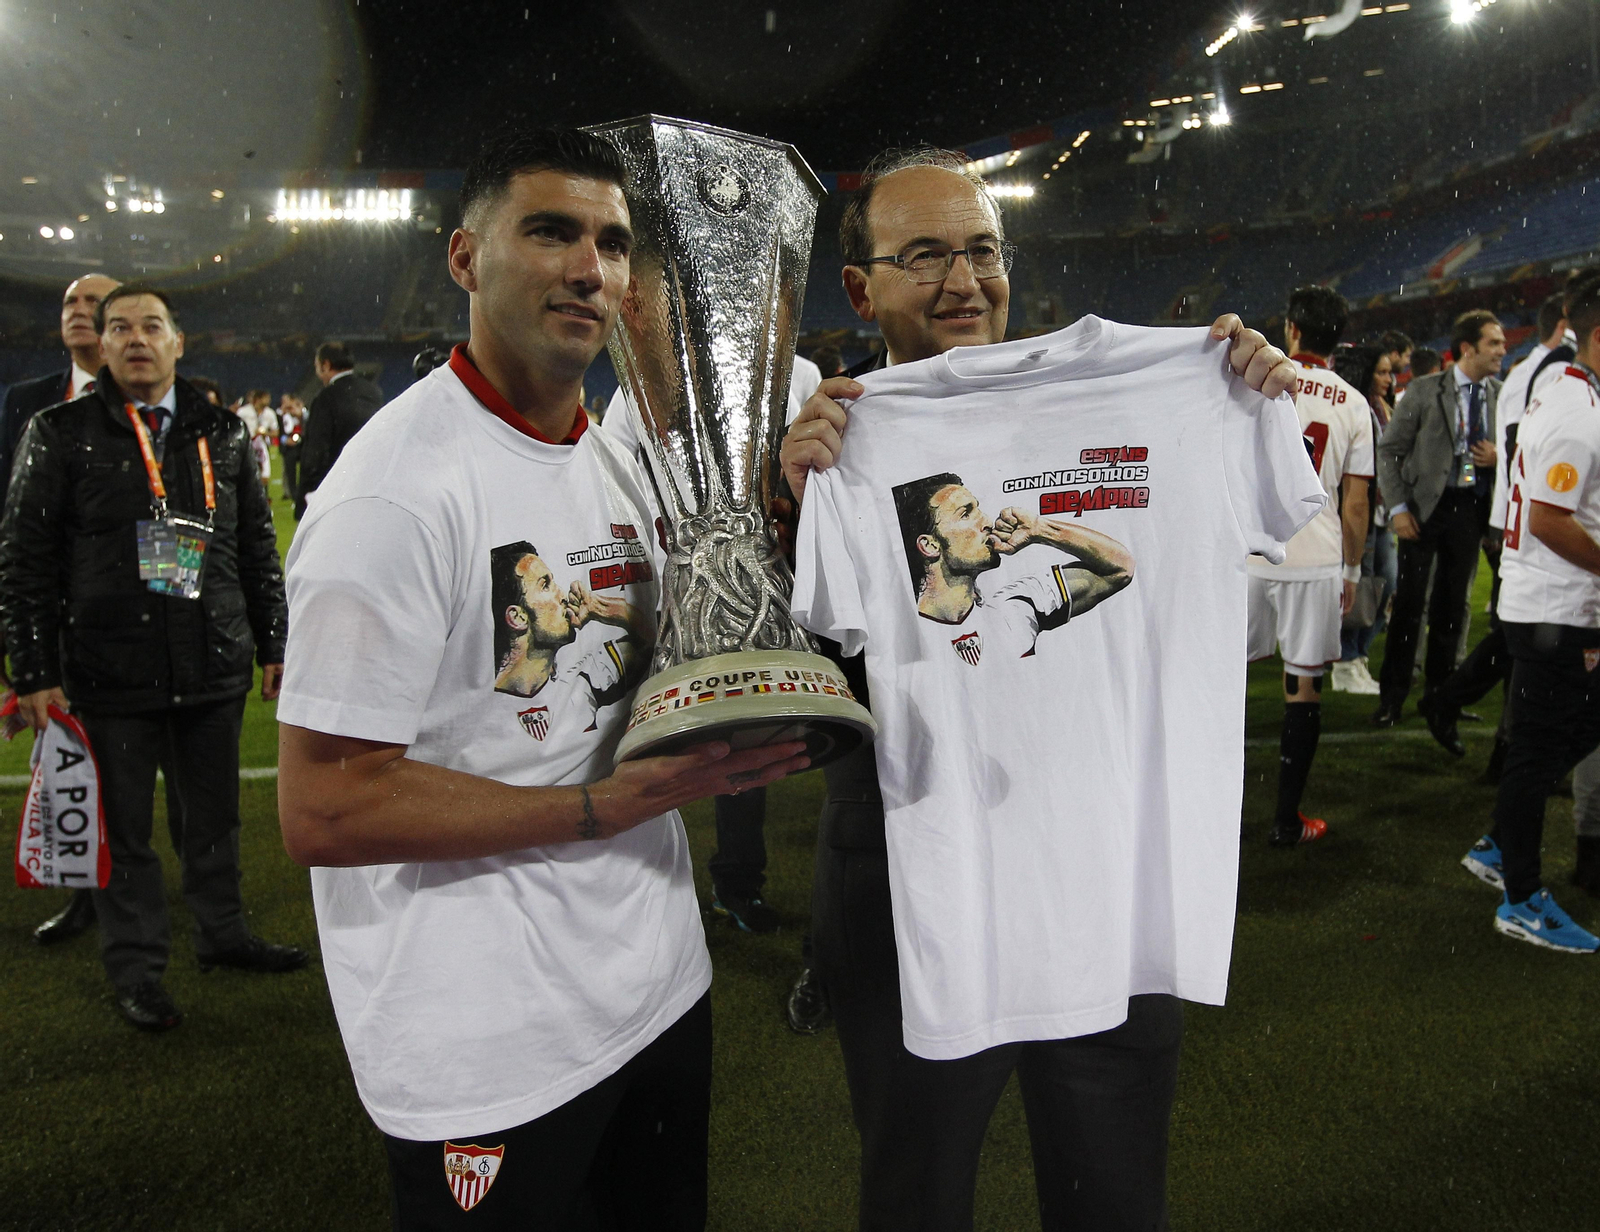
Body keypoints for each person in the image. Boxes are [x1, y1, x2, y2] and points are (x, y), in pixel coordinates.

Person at [275, 127, 808, 1229]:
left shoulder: (617, 455)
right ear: (465, 258)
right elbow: (325, 802)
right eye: (551, 232)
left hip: (655, 980)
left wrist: (794, 506)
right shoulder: (392, 497)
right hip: (485, 1036)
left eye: (613, 243)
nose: (589, 268)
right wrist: (593, 806)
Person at [776, 145, 1298, 1232]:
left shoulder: (1178, 388)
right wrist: (792, 510)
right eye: (925, 254)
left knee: (1111, 1193)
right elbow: (794, 694)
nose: (963, 279)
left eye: (980, 248)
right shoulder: (836, 440)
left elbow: (1128, 559)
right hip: (910, 885)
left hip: (1114, 877)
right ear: (861, 287)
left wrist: (1242, 392)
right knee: (914, 1191)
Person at [0, 283, 307, 1032]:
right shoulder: (60, 430)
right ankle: (136, 969)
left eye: (152, 326)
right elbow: (24, 557)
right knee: (126, 835)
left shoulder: (223, 431)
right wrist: (34, 671)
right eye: (120, 328)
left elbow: (256, 549)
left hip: (212, 662)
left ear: (178, 343)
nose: (137, 339)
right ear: (99, 347)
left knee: (213, 820)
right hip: (109, 672)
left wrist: (274, 642)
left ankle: (222, 934)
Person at [1457, 276, 1600, 954]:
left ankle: (1499, 843)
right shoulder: (1576, 406)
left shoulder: (1568, 391)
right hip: (1553, 606)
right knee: (1537, 747)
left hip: (1551, 603)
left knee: (1568, 728)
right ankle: (1519, 895)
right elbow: (1548, 518)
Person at [0, 273, 121, 946]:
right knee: (67, 754)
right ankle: (84, 890)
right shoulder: (26, 402)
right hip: (53, 610)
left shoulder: (151, 398)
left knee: (149, 757)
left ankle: (196, 893)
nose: (79, 311)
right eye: (70, 302)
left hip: (133, 614)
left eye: (93, 303)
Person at [1247, 288, 1372, 845]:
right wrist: (1352, 573)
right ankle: (1285, 821)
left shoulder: (1256, 382)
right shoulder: (1352, 401)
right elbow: (1356, 503)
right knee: (1303, 687)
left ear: (1293, 328)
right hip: (1316, 557)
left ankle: (1205, 808)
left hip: (1251, 551)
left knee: (1227, 677)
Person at [1371, 309, 1505, 726]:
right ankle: (1391, 699)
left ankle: (1441, 698)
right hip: (1422, 510)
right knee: (1410, 606)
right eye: (1494, 343)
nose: (1502, 350)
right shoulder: (1426, 390)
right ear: (1468, 348)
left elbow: (1524, 453)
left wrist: (1501, 456)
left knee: (1453, 605)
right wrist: (1397, 509)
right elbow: (1389, 450)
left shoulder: (1501, 394)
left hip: (1468, 508)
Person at [1330, 344, 1397, 694]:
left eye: (1389, 372)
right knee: (1360, 583)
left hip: (1381, 510)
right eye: (1381, 372)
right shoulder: (1356, 407)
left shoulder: (1381, 407)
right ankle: (1345, 661)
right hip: (1362, 508)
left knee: (1385, 584)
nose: (1387, 379)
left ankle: (1357, 656)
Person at [295, 341, 384, 518]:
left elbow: (316, 451)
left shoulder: (326, 397)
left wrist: (305, 496)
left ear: (326, 365)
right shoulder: (374, 392)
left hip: (336, 489)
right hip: (371, 484)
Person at [278, 395, 305, 505]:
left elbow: (305, 426)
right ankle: (294, 495)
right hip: (288, 448)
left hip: (301, 445)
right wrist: (285, 440)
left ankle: (303, 492)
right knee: (290, 472)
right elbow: (278, 431)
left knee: (304, 469)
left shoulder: (300, 413)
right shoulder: (280, 415)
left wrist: (299, 414)